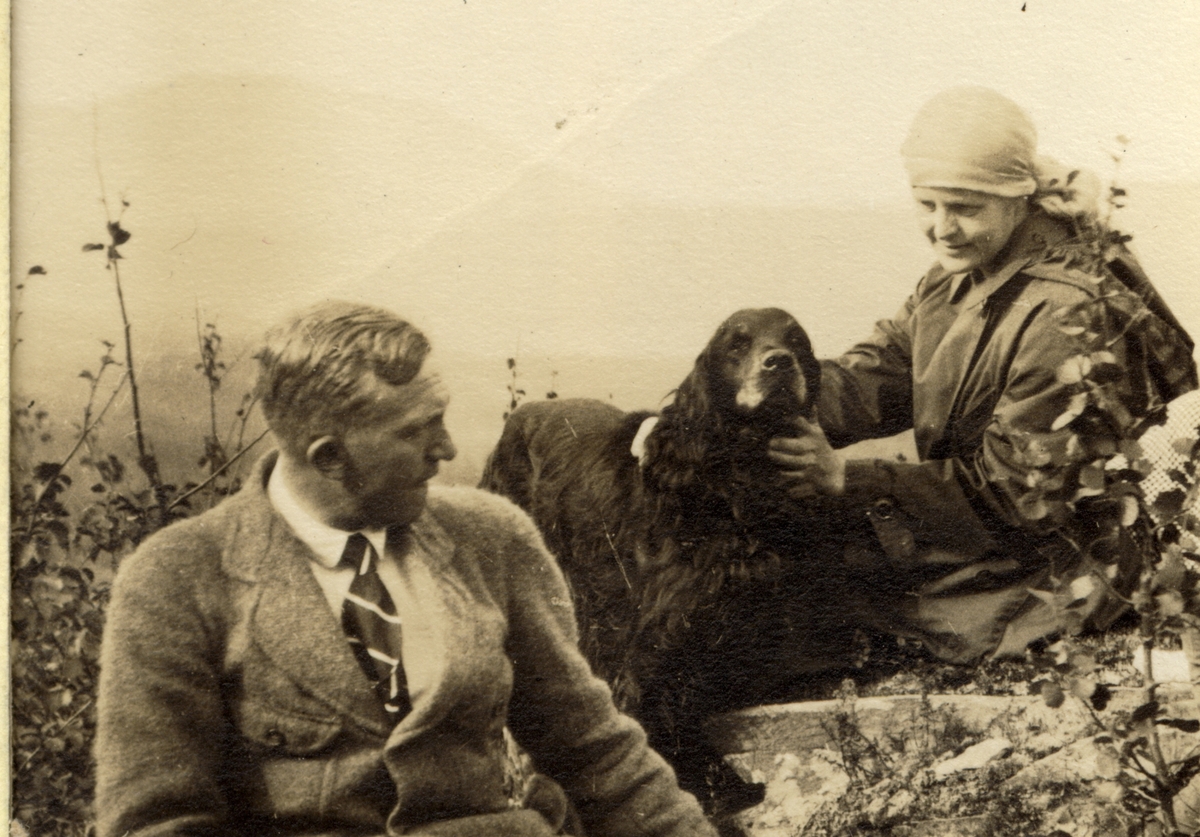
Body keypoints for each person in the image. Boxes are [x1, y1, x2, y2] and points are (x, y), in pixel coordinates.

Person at [95, 301, 718, 837]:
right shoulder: (178, 578)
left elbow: (597, 755)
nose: (447, 449)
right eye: (418, 431)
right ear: (330, 456)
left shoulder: (490, 537)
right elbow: (158, 822)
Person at [769, 87, 1197, 664]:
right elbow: (877, 372)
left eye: (965, 207)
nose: (942, 228)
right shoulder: (963, 273)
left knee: (804, 596)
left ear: (1018, 197)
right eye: (928, 205)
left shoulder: (1063, 314)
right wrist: (738, 401)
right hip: (981, 528)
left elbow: (1021, 494)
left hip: (1053, 565)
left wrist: (849, 478)